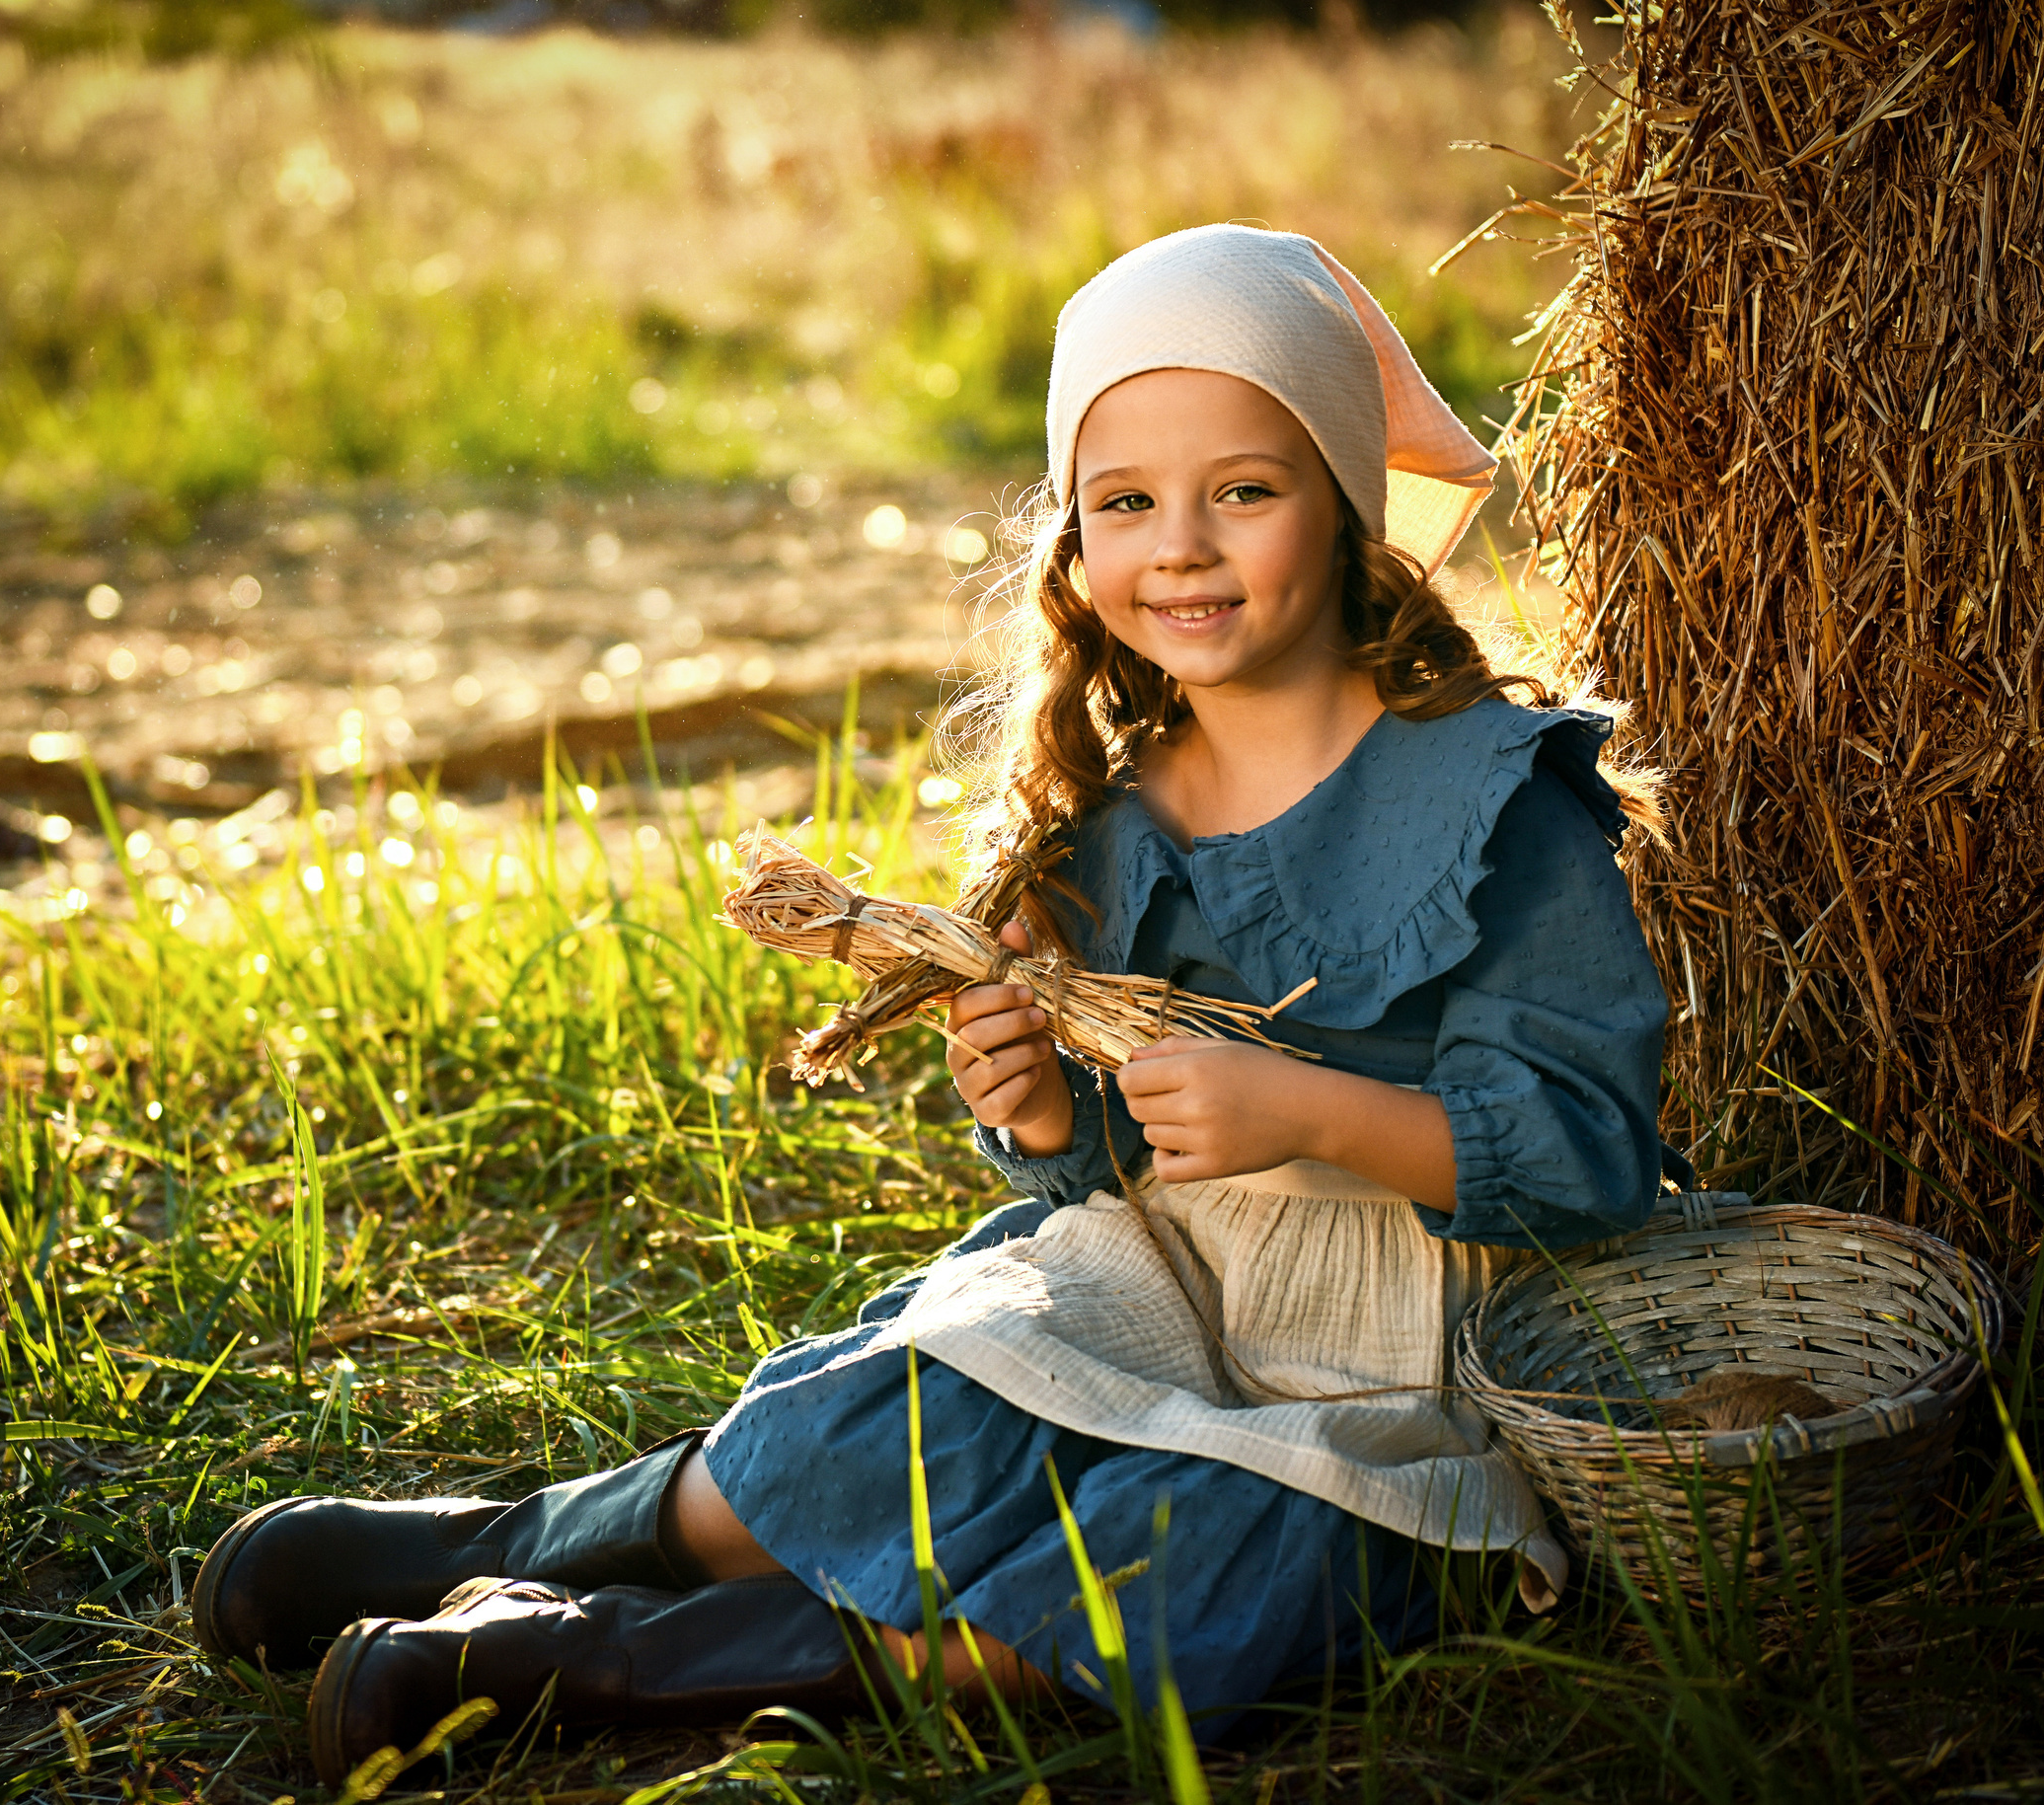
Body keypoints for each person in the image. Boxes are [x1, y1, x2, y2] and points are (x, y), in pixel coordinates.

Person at [189, 225, 1674, 1786]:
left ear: (1349, 504)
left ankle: (596, 1657)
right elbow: (1099, 1170)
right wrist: (1038, 1110)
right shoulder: (1116, 813)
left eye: (1244, 490)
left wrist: (1310, 1110)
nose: (1181, 545)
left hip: (1419, 1357)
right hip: (1169, 1280)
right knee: (906, 1409)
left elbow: (1591, 1156)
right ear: (1077, 541)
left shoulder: (1496, 798)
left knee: (1211, 1567)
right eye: (1126, 502)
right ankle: (505, 1543)